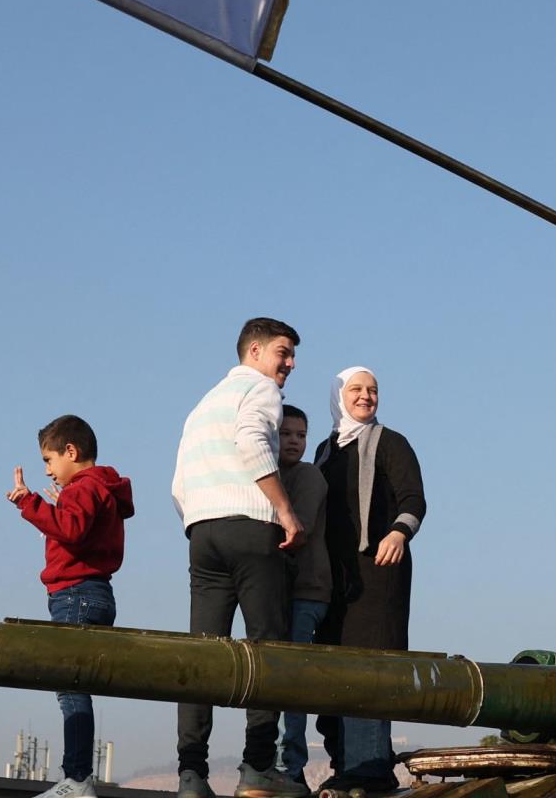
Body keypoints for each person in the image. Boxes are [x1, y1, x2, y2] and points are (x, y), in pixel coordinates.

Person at [171, 317, 309, 798]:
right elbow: (252, 442)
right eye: (283, 352)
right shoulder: (261, 390)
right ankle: (256, 768)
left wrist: (198, 520)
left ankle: (191, 774)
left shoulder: (204, 403)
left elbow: (178, 481)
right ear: (254, 351)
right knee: (267, 647)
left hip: (202, 531)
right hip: (250, 528)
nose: (289, 364)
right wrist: (285, 511)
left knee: (203, 654)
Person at [6, 413, 136, 798]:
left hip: (75, 594)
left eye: (49, 460)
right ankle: (77, 777)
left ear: (71, 451)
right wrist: (62, 507)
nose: (48, 471)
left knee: (70, 685)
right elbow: (80, 528)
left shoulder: (84, 487)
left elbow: (72, 530)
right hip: (94, 592)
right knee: (74, 685)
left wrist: (29, 503)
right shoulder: (100, 489)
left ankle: (77, 779)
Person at [315, 366, 424, 794]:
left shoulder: (391, 443)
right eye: (356, 389)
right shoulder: (324, 451)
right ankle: (346, 765)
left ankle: (370, 770)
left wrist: (398, 532)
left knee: (368, 671)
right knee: (330, 674)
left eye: (372, 390)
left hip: (377, 576)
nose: (365, 397)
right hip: (332, 581)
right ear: (339, 394)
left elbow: (414, 498)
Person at [276, 404, 331, 790]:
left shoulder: (309, 477)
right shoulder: (270, 477)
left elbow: (300, 529)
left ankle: (290, 769)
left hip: (305, 591)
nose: (294, 441)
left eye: (300, 435)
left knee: (289, 681)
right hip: (277, 591)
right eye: (286, 434)